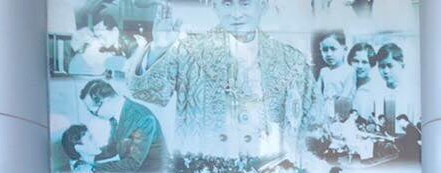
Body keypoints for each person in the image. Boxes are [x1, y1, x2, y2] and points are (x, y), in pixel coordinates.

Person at [131, 0, 315, 162]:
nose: (236, 13)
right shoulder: (190, 51)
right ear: (214, 5)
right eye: (227, 3)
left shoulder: (291, 60)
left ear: (263, 5)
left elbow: (313, 120)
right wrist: (159, 49)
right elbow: (148, 93)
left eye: (245, 3)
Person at [80, 79, 167, 173]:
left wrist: (94, 167)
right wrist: (91, 157)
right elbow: (113, 148)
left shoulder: (142, 118)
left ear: (107, 101)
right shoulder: (115, 116)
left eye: (94, 112)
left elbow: (132, 163)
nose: (95, 116)